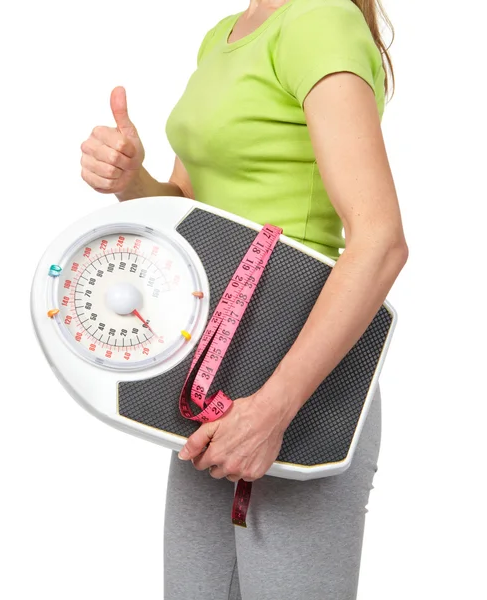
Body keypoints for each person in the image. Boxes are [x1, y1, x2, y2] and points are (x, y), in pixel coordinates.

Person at [79, 0, 408, 597]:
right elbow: (190, 204)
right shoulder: (222, 35)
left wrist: (271, 411)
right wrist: (133, 180)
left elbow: (380, 240)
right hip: (211, 368)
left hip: (300, 379)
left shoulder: (321, 19)